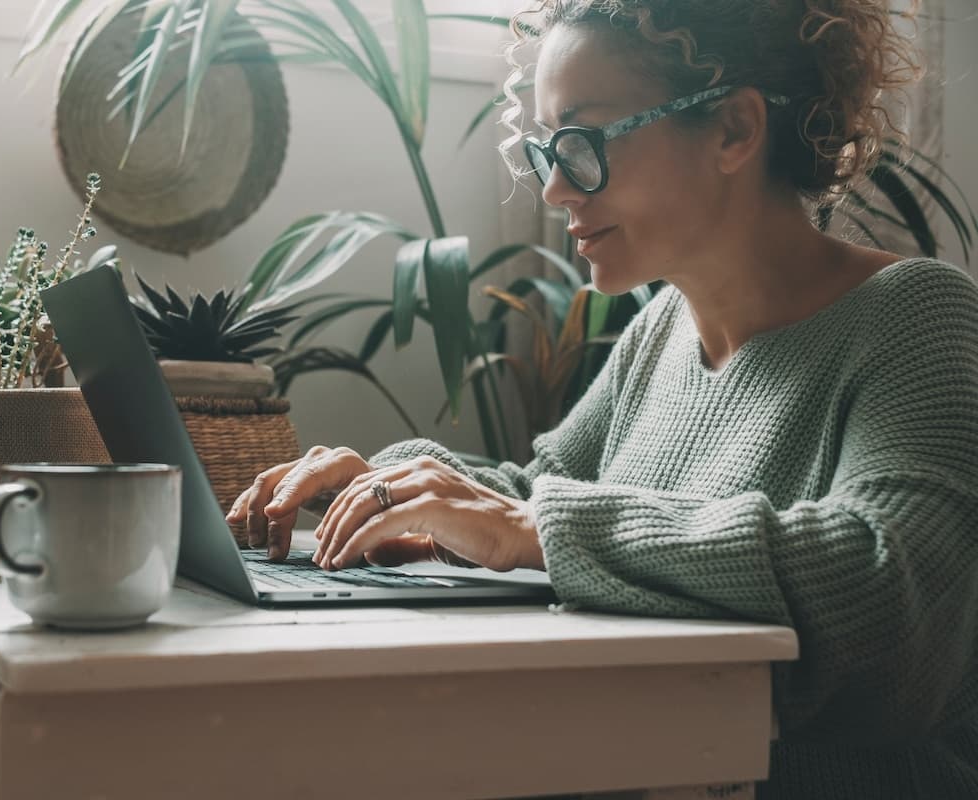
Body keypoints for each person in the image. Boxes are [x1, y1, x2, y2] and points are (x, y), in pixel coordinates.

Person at [226, 0, 978, 796]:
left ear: (733, 129)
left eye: (584, 142)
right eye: (546, 149)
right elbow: (537, 492)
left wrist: (534, 531)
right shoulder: (660, 332)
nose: (554, 189)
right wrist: (390, 484)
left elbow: (898, 598)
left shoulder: (915, 314)